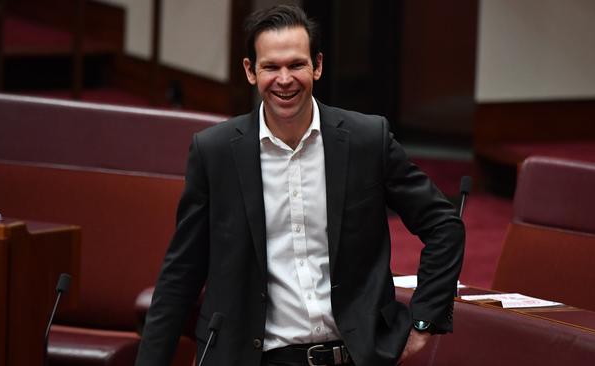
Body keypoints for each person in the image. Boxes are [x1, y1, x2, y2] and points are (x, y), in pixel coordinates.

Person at [135, 5, 464, 366]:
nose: (284, 79)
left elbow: (443, 225)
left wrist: (423, 321)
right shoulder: (214, 153)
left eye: (296, 65)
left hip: (354, 356)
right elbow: (180, 274)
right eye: (270, 67)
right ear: (250, 71)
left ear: (317, 66)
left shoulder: (366, 140)